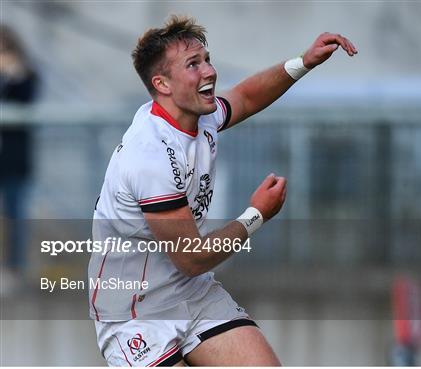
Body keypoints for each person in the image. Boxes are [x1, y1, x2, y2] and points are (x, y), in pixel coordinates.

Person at [89, 15, 357, 366]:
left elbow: (245, 96)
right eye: (193, 65)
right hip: (135, 310)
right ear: (163, 84)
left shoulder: (201, 115)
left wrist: (303, 62)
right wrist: (256, 216)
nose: (209, 71)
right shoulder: (149, 155)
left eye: (207, 59)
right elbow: (192, 258)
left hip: (191, 291)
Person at [0, 24, 39, 293]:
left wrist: (13, 75)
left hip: (14, 159)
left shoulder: (25, 74)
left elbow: (27, 98)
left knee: (15, 215)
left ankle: (14, 270)